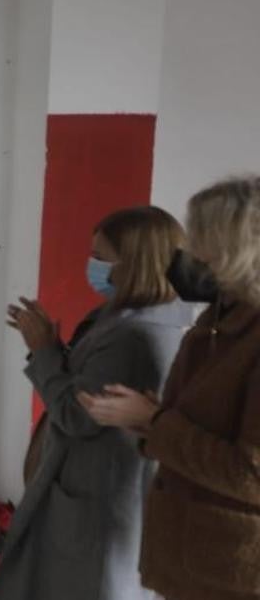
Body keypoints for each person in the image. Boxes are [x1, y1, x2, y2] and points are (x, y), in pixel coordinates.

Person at [0, 206, 193, 600]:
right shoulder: (127, 313)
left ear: (134, 263)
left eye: (101, 258)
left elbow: (78, 415)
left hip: (99, 493)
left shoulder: (136, 333)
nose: (93, 266)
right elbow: (91, 383)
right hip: (89, 484)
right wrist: (55, 352)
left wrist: (44, 350)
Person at [81, 177, 260, 600]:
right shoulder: (218, 316)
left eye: (202, 239)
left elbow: (251, 474)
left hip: (233, 567)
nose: (190, 253)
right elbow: (200, 421)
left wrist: (154, 420)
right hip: (192, 551)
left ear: (237, 248)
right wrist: (148, 420)